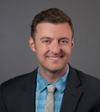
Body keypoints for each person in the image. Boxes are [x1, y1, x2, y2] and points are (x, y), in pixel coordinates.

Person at [0, 8, 100, 112]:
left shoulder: (97, 92)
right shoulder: (7, 92)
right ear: (32, 44)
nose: (56, 50)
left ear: (71, 44)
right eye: (47, 41)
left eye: (63, 41)